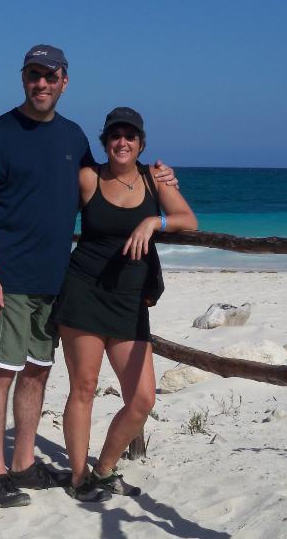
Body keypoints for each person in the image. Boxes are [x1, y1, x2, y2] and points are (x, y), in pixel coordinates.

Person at [0, 46, 177, 508]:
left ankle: (24, 464)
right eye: (34, 75)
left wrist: (158, 181)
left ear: (64, 82)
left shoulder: (73, 137)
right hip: (5, 276)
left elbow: (108, 181)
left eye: (50, 76)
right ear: (23, 79)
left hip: (57, 280)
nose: (42, 84)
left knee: (37, 371)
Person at [51, 106, 197, 502]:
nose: (122, 142)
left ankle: (104, 469)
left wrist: (154, 222)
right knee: (84, 387)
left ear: (141, 143)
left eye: (130, 136)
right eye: (115, 135)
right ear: (105, 142)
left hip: (131, 300)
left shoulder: (154, 179)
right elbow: (50, 212)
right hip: (83, 291)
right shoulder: (88, 178)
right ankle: (79, 478)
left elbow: (187, 218)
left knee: (142, 398)